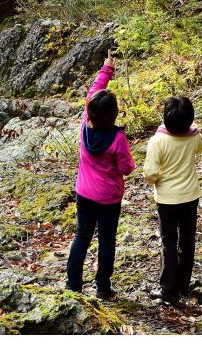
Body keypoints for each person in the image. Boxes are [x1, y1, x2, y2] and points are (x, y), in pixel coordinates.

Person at [66, 49, 136, 300]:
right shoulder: (117, 138)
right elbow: (127, 168)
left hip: (84, 192)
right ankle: (102, 287)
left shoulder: (86, 122)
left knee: (82, 235)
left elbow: (93, 92)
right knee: (107, 240)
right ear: (114, 114)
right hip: (108, 198)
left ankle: (73, 284)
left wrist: (107, 68)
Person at [143, 95, 202, 306]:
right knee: (187, 241)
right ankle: (183, 285)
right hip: (190, 196)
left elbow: (149, 174)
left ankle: (168, 290)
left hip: (167, 199)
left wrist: (160, 179)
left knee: (168, 242)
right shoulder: (194, 136)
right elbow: (199, 148)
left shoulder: (157, 141)